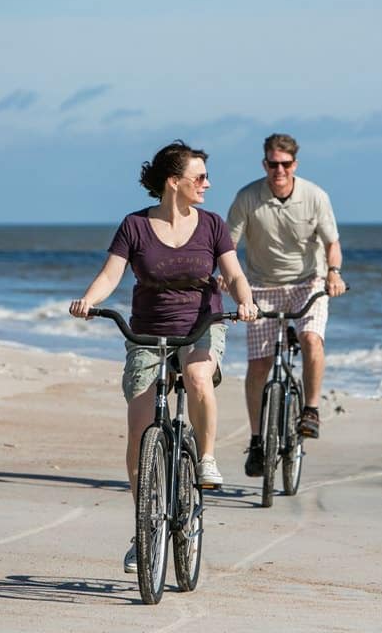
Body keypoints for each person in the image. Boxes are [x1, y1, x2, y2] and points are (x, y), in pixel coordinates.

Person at [70, 140, 256, 572]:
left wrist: (244, 302)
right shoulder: (134, 226)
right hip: (147, 331)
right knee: (138, 432)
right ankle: (144, 526)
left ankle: (205, 458)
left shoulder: (212, 225)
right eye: (200, 177)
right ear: (175, 182)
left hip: (201, 324)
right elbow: (111, 274)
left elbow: (234, 274)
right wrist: (87, 300)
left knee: (196, 378)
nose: (208, 184)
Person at [227, 133, 346, 477]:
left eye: (285, 164)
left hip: (308, 282)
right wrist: (225, 276)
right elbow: (227, 246)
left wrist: (334, 273)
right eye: (272, 163)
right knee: (260, 364)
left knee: (311, 339)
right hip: (261, 285)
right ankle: (256, 440)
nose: (279, 170)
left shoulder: (315, 196)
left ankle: (310, 409)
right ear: (264, 163)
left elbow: (332, 243)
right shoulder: (248, 198)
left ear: (295, 164)